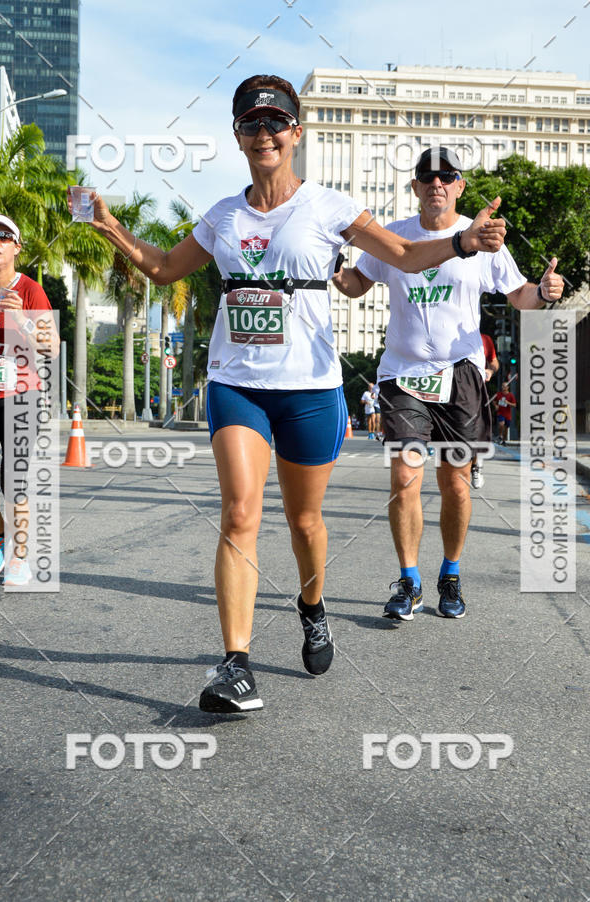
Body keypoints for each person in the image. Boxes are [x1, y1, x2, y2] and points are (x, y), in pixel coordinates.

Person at [78, 81, 505, 712]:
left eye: (277, 122)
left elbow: (408, 255)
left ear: (296, 134)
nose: (265, 134)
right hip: (236, 383)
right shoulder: (223, 214)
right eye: (252, 124)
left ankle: (312, 605)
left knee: (304, 521)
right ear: (238, 137)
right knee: (240, 515)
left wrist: (465, 241)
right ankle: (236, 665)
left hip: (308, 387)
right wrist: (110, 225)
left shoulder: (332, 207)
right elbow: (165, 268)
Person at [334, 146, 563, 621]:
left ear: (459, 186)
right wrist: (335, 272)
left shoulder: (481, 239)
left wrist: (542, 292)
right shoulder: (394, 237)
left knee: (456, 484)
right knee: (404, 478)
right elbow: (358, 281)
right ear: (415, 187)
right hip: (403, 373)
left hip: (460, 374)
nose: (436, 183)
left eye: (447, 177)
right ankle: (409, 580)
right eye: (426, 176)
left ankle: (450, 574)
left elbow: (518, 294)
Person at [0, 214, 56, 585]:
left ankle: (19, 556)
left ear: (16, 247)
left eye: (4, 236)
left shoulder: (29, 290)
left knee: (13, 479)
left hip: (21, 397)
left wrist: (22, 319)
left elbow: (52, 347)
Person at [470, 333, 499, 488]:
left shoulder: (485, 339)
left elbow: (494, 361)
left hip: (477, 391)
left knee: (476, 429)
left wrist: (490, 371)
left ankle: (476, 466)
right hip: (450, 392)